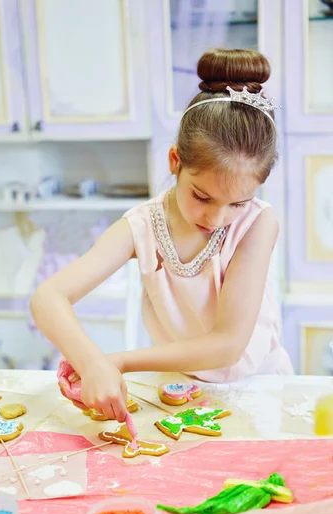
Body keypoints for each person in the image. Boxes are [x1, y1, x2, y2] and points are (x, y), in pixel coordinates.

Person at [30, 48, 293, 423]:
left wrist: (117, 361)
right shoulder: (142, 225)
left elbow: (228, 345)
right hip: (176, 390)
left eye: (237, 203)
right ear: (175, 162)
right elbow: (48, 298)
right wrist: (90, 363)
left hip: (260, 389)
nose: (217, 218)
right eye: (201, 196)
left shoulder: (256, 223)